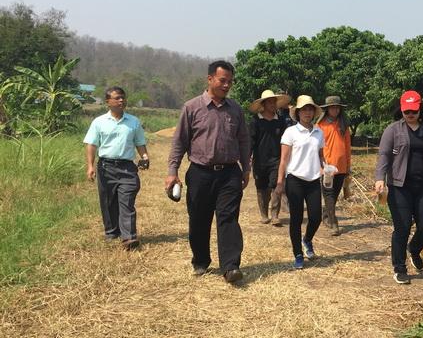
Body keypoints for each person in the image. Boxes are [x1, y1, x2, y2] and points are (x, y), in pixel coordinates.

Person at [165, 61, 251, 284]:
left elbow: (243, 140)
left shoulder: (235, 109)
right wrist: (172, 171)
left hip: (229, 173)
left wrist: (246, 169)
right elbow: (179, 142)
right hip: (200, 173)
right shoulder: (192, 107)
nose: (227, 85)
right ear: (210, 79)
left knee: (228, 218)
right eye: (223, 80)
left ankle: (231, 266)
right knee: (199, 219)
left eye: (230, 81)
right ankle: (201, 260)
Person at [374, 90, 423, 285]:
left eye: (414, 111)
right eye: (407, 111)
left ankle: (414, 249)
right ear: (401, 110)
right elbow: (384, 155)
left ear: (420, 109)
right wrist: (380, 178)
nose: (410, 115)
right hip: (399, 187)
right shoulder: (392, 130)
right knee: (402, 227)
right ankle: (399, 268)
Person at [84, 86, 150, 251]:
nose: (121, 100)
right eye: (117, 98)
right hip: (106, 167)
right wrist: (90, 166)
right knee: (108, 201)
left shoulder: (133, 122)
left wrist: (145, 157)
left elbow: (140, 143)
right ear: (108, 102)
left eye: (123, 98)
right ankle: (112, 232)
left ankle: (129, 237)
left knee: (127, 201)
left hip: (127, 168)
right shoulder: (99, 122)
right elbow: (91, 144)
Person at [274, 95, 325, 269]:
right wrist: (280, 182)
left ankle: (307, 239)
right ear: (298, 112)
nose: (307, 113)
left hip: (313, 180)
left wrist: (324, 168)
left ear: (314, 112)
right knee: (296, 218)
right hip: (295, 179)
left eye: (310, 109)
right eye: (304, 110)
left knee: (316, 217)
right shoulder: (290, 132)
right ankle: (298, 254)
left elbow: (320, 156)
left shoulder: (319, 132)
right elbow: (283, 160)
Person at [248, 89, 291, 225]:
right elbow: (250, 141)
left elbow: (286, 140)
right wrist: (247, 158)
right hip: (260, 160)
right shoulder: (255, 121)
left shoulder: (281, 121)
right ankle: (264, 214)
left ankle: (275, 215)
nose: (273, 104)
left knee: (276, 185)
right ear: (263, 104)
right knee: (261, 187)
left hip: (277, 159)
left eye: (274, 102)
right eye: (270, 102)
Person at [317, 95, 352, 236]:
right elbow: (317, 148)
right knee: (329, 194)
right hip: (327, 167)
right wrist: (320, 165)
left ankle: (326, 216)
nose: (335, 110)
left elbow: (348, 147)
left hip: (341, 167)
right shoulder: (320, 126)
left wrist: (348, 166)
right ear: (327, 109)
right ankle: (334, 223)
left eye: (337, 107)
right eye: (332, 107)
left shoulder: (344, 125)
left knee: (334, 194)